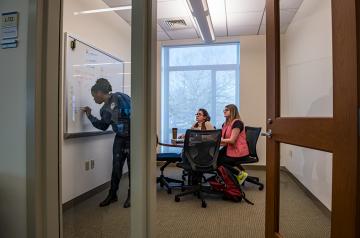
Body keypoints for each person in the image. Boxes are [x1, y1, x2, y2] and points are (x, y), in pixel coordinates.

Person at [82, 78, 131, 208]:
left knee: (133, 168)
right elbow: (103, 126)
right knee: (116, 168)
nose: (93, 99)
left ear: (99, 92)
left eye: (94, 96)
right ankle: (112, 195)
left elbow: (134, 112)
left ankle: (132, 195)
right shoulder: (104, 109)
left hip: (134, 137)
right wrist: (90, 116)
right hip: (120, 138)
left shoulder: (121, 97)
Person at [218, 104, 249, 184]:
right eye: (224, 110)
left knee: (219, 161)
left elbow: (232, 140)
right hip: (230, 149)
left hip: (238, 151)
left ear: (233, 111)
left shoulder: (237, 123)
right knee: (214, 158)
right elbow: (222, 137)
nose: (224, 111)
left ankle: (239, 174)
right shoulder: (225, 124)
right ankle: (224, 177)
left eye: (226, 110)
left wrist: (219, 140)